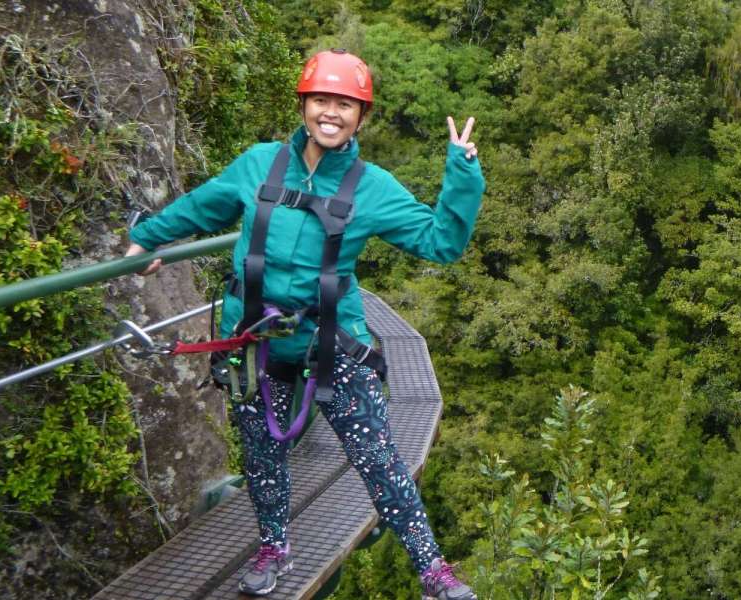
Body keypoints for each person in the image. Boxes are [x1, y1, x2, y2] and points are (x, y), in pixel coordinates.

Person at [124, 49, 483, 599]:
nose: (331, 113)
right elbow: (203, 206)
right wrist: (150, 237)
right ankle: (274, 547)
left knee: (376, 457)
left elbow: (441, 243)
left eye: (345, 104)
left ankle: (432, 569)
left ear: (361, 117)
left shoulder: (373, 187)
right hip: (253, 335)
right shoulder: (260, 164)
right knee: (262, 452)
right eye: (321, 100)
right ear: (303, 106)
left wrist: (461, 171)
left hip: (330, 338)